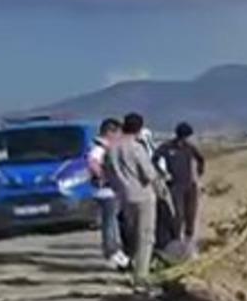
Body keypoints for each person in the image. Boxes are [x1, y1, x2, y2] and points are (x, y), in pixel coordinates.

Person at [104, 113, 160, 289]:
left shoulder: (112, 149)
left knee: (132, 234)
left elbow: (108, 173)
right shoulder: (136, 148)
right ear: (139, 129)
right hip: (142, 195)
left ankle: (134, 267)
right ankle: (141, 277)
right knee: (145, 237)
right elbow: (149, 173)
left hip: (123, 197)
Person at [155, 122, 205, 257]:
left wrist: (199, 174)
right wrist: (163, 173)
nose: (189, 139)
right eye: (187, 137)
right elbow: (154, 159)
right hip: (175, 186)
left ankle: (189, 242)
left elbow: (200, 159)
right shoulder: (167, 147)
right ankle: (176, 241)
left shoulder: (190, 147)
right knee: (178, 214)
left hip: (190, 185)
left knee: (191, 214)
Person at [87, 118, 128, 270]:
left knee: (112, 221)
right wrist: (103, 177)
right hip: (106, 191)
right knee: (110, 222)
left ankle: (114, 249)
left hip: (109, 190)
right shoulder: (100, 147)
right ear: (109, 132)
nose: (118, 136)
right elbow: (92, 163)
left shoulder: (104, 147)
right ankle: (111, 250)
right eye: (117, 132)